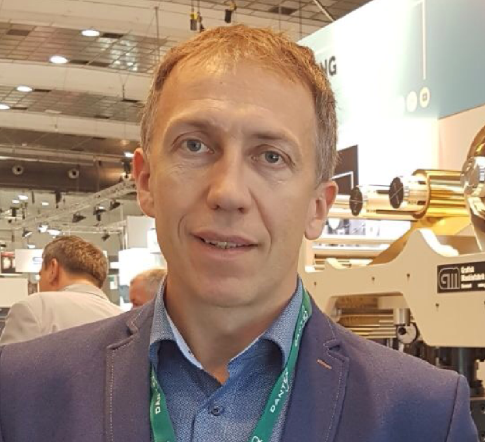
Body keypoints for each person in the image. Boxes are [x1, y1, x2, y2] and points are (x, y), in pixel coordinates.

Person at [0, 25, 478, 442]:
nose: (228, 192)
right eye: (195, 145)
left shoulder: (423, 415)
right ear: (146, 182)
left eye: (271, 156)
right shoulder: (22, 393)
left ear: (317, 206)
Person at [0, 235, 122, 345]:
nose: (39, 282)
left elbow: (11, 363)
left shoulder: (35, 308)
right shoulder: (123, 317)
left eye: (41, 274)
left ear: (53, 269)